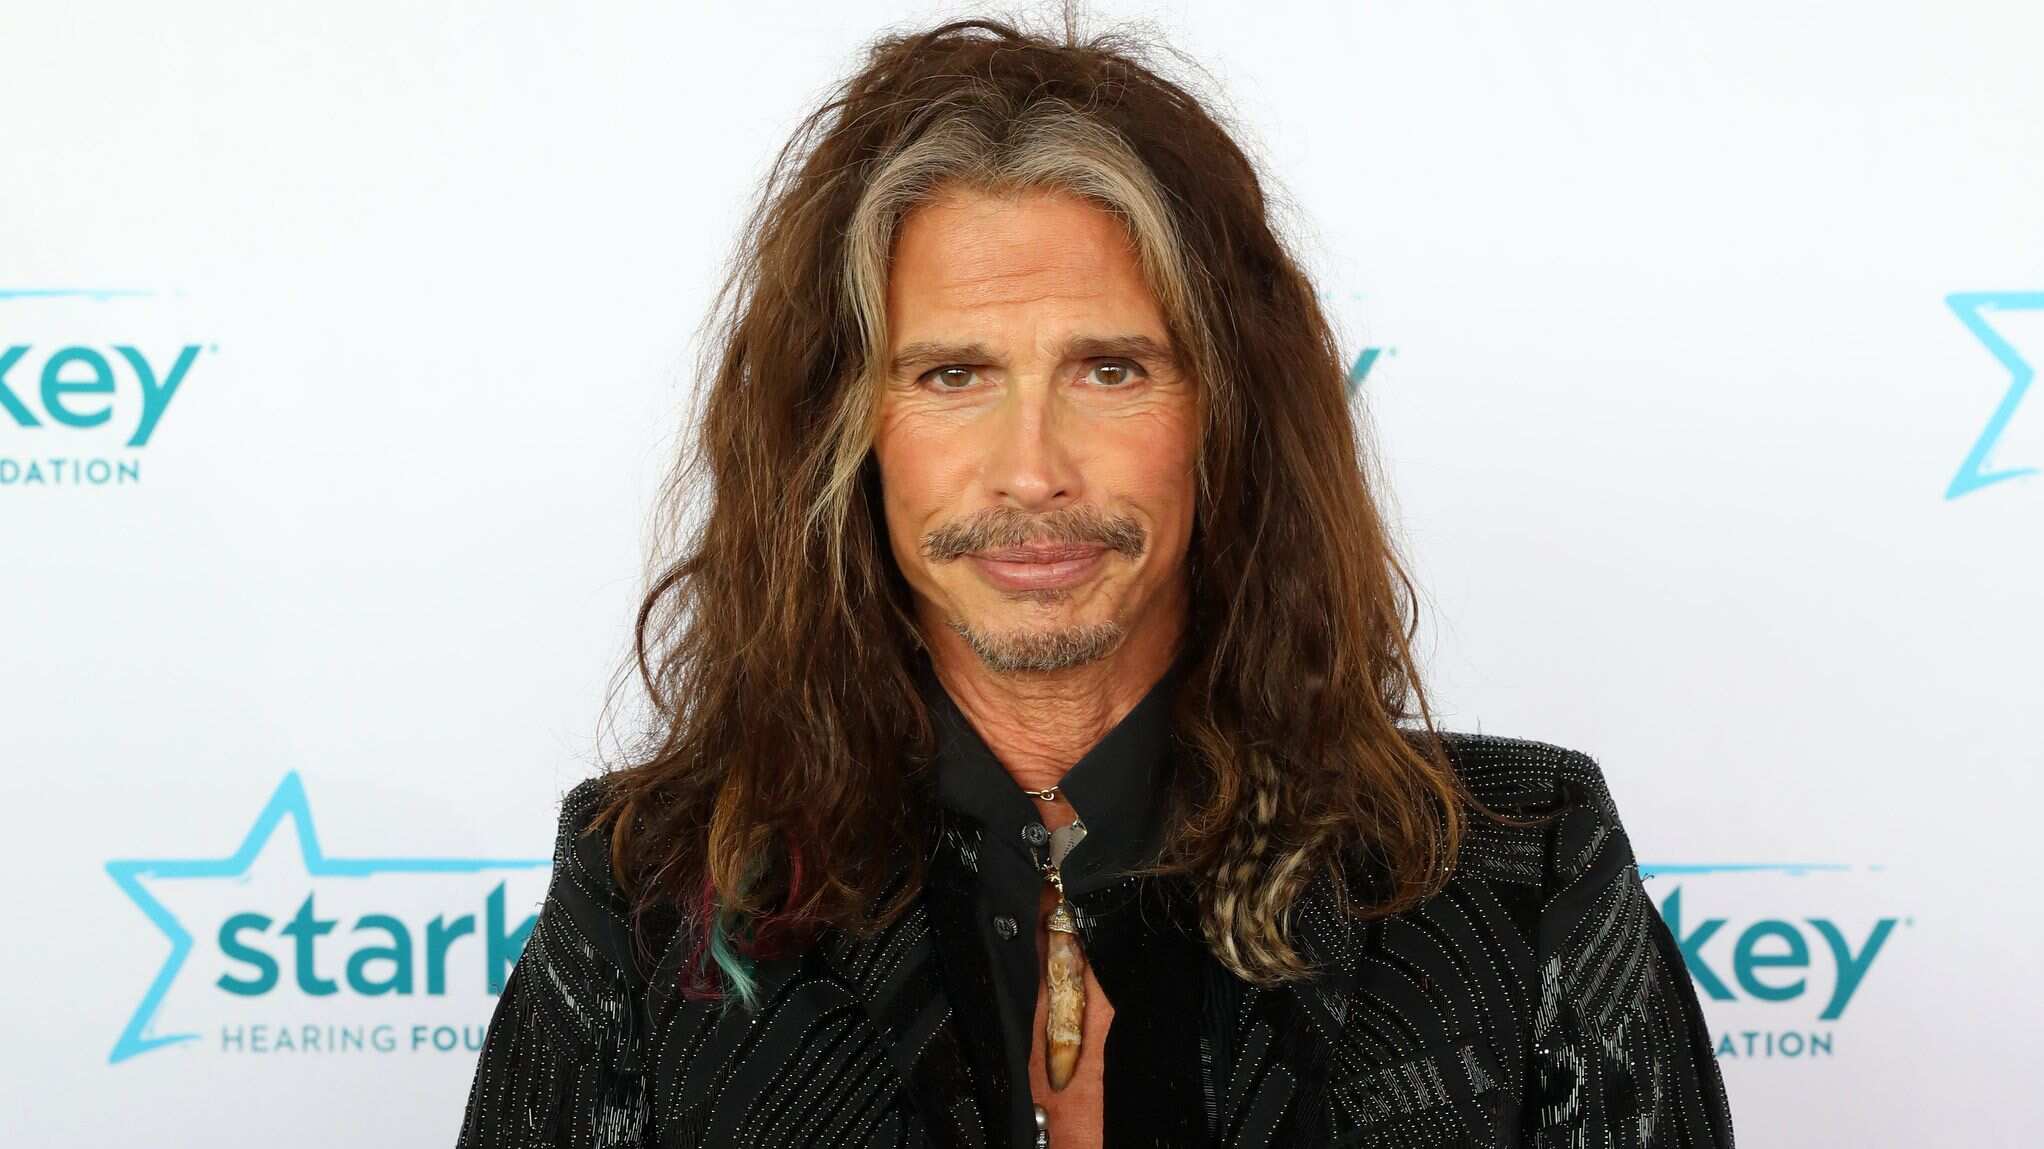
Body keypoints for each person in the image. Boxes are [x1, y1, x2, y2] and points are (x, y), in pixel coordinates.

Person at [456, 13, 1735, 1149]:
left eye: (1110, 369)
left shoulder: (1518, 868)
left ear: (1225, 416)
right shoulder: (655, 888)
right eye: (952, 374)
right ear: (844, 432)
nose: (1032, 470)